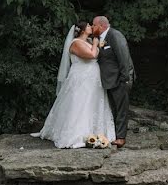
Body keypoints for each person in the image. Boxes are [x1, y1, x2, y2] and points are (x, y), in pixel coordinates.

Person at [30, 21, 116, 148]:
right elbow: (91, 55)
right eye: (88, 26)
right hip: (82, 77)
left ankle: (95, 132)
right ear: (81, 30)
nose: (91, 27)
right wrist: (96, 43)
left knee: (93, 102)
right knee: (80, 103)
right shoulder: (76, 43)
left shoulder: (88, 42)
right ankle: (77, 134)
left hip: (93, 79)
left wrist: (95, 44)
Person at [91, 15, 135, 148]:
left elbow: (124, 58)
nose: (92, 28)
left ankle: (121, 138)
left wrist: (125, 79)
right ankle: (114, 134)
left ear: (101, 25)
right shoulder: (100, 38)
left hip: (120, 79)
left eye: (93, 25)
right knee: (114, 108)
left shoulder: (115, 35)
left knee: (122, 108)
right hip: (109, 80)